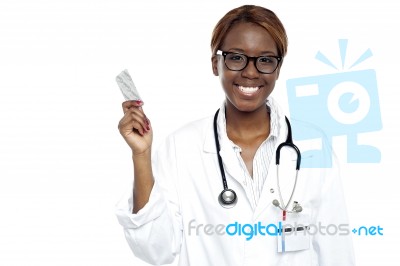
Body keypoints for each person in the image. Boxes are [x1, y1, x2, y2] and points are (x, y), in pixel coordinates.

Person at [115, 5, 355, 266]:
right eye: (236, 57)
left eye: (265, 60)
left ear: (278, 68)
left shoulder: (312, 146)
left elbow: (336, 251)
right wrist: (141, 154)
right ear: (215, 64)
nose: (250, 72)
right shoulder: (180, 147)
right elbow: (156, 250)